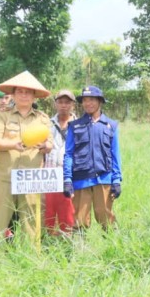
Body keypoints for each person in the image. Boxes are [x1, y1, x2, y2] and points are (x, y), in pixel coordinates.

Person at [0, 71, 54, 244]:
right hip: (5, 176)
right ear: (13, 95)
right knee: (0, 219)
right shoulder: (1, 116)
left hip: (31, 178)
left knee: (31, 220)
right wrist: (13, 144)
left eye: (28, 92)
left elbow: (50, 145)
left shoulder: (43, 119)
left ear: (34, 96)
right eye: (20, 92)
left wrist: (44, 146)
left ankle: (30, 258)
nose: (24, 95)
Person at [62, 86, 122, 230]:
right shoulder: (74, 126)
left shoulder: (110, 126)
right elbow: (68, 153)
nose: (88, 103)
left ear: (100, 101)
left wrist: (116, 179)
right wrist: (68, 179)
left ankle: (112, 248)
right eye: (85, 100)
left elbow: (115, 154)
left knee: (106, 218)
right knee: (80, 221)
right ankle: (80, 250)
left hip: (104, 178)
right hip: (81, 180)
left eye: (92, 100)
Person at [43, 89, 76, 235]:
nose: (64, 105)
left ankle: (67, 239)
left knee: (68, 208)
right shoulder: (46, 124)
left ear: (73, 105)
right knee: (49, 209)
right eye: (60, 102)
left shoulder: (80, 125)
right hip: (49, 172)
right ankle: (48, 239)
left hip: (70, 173)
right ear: (55, 104)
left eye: (67, 102)